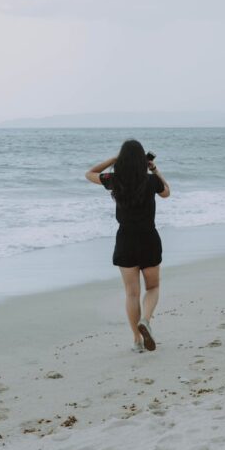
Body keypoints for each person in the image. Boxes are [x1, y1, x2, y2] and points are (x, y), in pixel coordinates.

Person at [85, 140, 170, 352]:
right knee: (153, 287)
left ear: (122, 159)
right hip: (149, 238)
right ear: (143, 160)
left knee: (132, 293)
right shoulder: (151, 181)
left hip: (126, 240)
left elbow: (89, 174)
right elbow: (166, 192)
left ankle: (137, 341)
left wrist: (114, 159)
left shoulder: (114, 180)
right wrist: (154, 169)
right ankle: (146, 320)